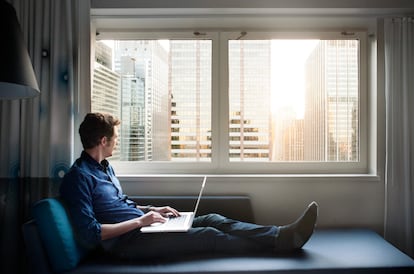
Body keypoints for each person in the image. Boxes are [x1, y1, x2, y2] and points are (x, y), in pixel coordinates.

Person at [60, 112, 318, 260]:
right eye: (114, 138)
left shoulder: (105, 168)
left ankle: (280, 234)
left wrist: (152, 210)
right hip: (128, 243)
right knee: (210, 236)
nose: (117, 142)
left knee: (213, 219)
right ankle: (280, 245)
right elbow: (91, 232)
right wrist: (141, 222)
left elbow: (119, 205)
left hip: (146, 227)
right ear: (103, 140)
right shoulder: (78, 178)